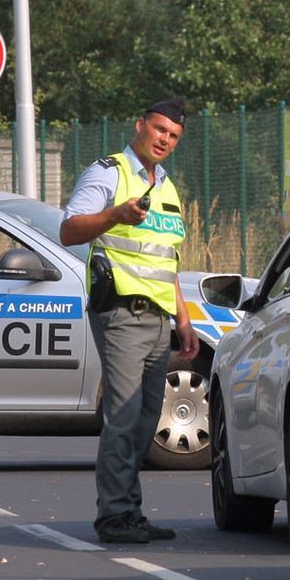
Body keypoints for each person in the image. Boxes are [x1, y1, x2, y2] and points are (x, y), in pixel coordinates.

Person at [60, 99, 200, 545]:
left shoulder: (168, 187)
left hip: (159, 319)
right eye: (159, 129)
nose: (164, 139)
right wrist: (115, 215)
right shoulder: (109, 172)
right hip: (120, 311)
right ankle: (114, 516)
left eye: (173, 136)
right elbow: (70, 229)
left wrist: (184, 318)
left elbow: (168, 260)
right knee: (122, 415)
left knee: (144, 421)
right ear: (139, 125)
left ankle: (129, 511)